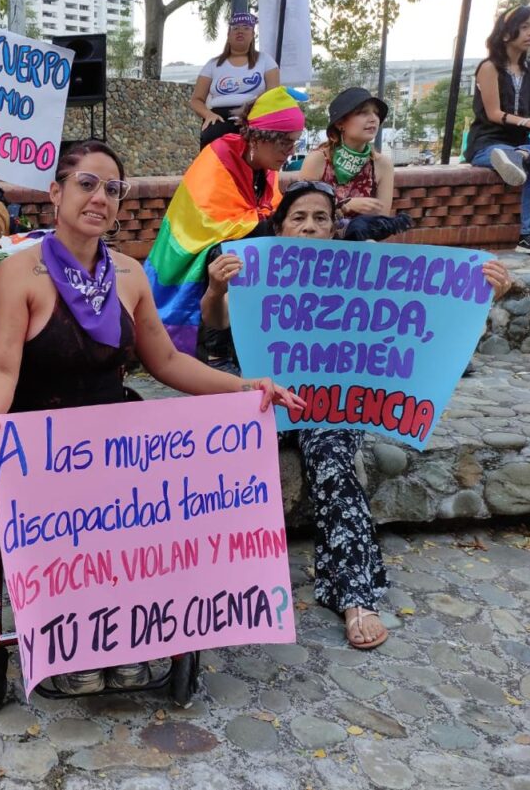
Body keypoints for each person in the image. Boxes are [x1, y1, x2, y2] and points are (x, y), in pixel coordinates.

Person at [0, 140, 303, 693]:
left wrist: (245, 388)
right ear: (56, 192)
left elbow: (165, 361)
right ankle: (69, 643)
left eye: (112, 188)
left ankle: (124, 636)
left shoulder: (129, 274)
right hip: (42, 449)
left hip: (112, 442)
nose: (100, 197)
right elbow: (0, 366)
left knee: (146, 516)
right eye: (87, 183)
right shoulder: (18, 274)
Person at [200, 180, 512, 649]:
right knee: (218, 463)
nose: (309, 226)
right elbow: (215, 330)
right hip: (261, 399)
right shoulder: (250, 268)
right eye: (299, 217)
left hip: (327, 407)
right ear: (280, 225)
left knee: (331, 463)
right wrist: (216, 289)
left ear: (333, 228)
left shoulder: (356, 274)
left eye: (321, 218)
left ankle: (354, 595)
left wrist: (485, 294)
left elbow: (429, 316)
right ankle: (207, 589)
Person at [146, 85, 306, 359]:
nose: (290, 152)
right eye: (284, 143)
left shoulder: (266, 168)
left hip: (237, 258)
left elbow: (268, 214)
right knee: (229, 256)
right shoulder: (218, 156)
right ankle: (215, 351)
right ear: (259, 138)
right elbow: (216, 225)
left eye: (294, 142)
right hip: (189, 255)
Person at [299, 87, 410, 241]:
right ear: (340, 123)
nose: (373, 118)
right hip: (320, 247)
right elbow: (302, 213)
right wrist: (346, 206)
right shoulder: (318, 160)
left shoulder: (382, 164)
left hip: (362, 249)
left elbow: (380, 221)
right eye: (363, 112)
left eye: (376, 113)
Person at [464, 5, 530, 253]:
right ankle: (518, 156)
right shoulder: (489, 67)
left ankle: (521, 155)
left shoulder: (529, 71)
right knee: (509, 154)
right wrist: (525, 122)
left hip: (520, 142)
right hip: (488, 141)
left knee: (524, 157)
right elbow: (493, 114)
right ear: (505, 34)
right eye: (524, 27)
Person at [190, 12, 280, 148]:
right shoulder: (213, 64)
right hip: (220, 116)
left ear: (252, 35)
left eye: (246, 28)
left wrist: (252, 111)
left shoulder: (266, 61)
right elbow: (196, 99)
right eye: (235, 28)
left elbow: (273, 93)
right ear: (228, 35)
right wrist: (208, 114)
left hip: (254, 114)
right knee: (211, 136)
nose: (240, 31)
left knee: (259, 144)